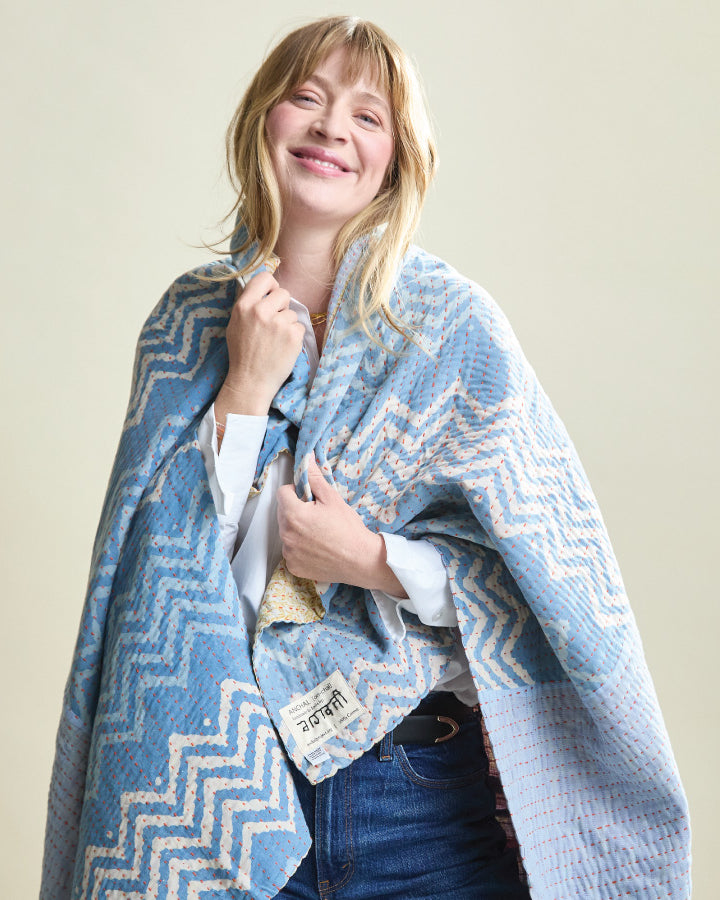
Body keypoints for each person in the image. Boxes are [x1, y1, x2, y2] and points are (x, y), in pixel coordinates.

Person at [41, 15, 691, 900]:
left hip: (416, 798)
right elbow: (172, 595)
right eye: (305, 97)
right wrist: (245, 392)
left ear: (397, 159)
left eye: (367, 115)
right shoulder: (186, 326)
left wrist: (371, 561)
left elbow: (552, 592)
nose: (330, 128)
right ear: (261, 122)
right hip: (224, 792)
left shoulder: (452, 330)